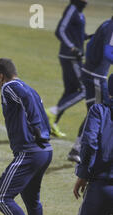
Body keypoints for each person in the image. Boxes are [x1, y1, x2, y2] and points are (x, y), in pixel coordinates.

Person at [0, 58, 53, 215]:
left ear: (1, 75)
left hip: (30, 152)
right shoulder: (29, 87)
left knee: (1, 198)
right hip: (44, 151)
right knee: (31, 199)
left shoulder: (10, 87)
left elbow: (26, 101)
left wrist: (38, 129)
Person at [73, 73, 113, 215]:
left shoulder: (99, 111)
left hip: (101, 188)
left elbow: (88, 143)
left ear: (108, 91)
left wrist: (83, 174)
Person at [67, 16, 113, 163]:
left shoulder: (106, 23)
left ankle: (78, 149)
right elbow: (107, 53)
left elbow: (91, 44)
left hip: (90, 74)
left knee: (95, 112)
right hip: (96, 76)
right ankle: (86, 151)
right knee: (100, 113)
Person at [46, 0, 89, 138]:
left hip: (73, 56)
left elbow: (78, 35)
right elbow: (60, 30)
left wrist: (93, 36)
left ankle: (50, 125)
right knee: (84, 89)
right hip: (70, 57)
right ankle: (54, 111)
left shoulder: (80, 12)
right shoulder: (72, 8)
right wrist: (72, 47)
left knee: (70, 90)